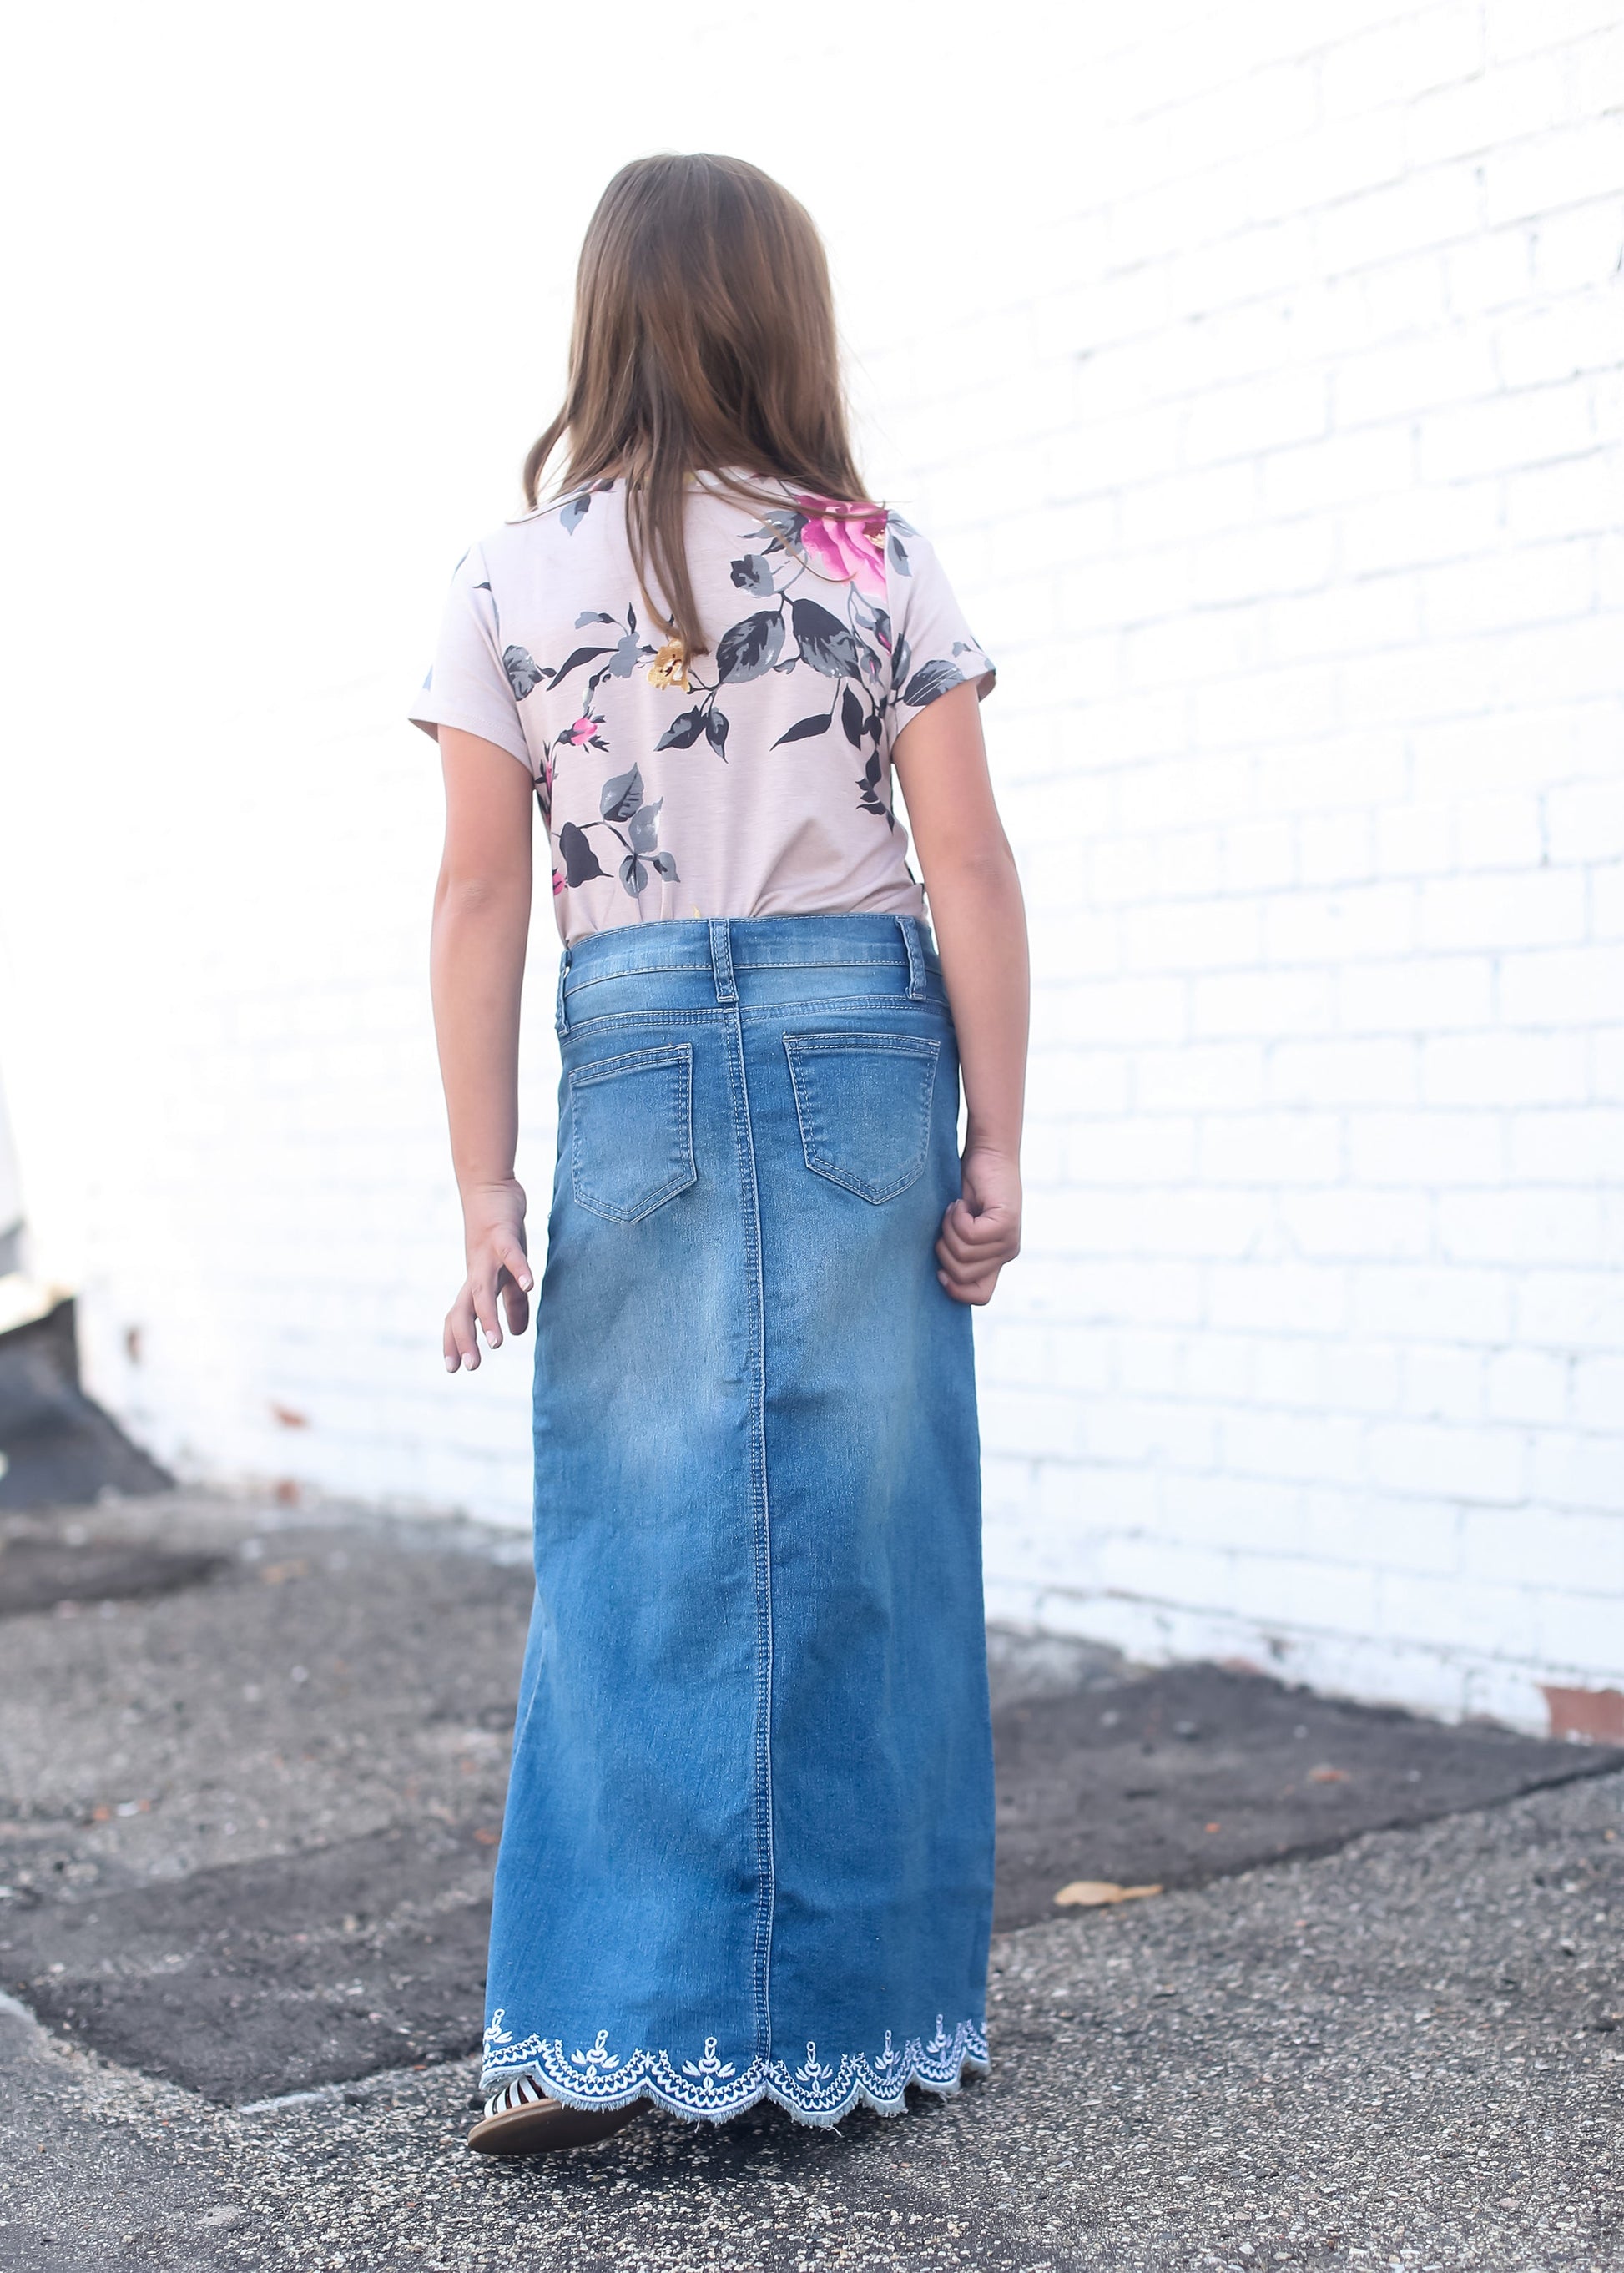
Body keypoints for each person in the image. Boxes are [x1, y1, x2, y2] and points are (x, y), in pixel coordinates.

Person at [411, 151, 1027, 2158]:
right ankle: (850, 2018)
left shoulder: (510, 578)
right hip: (865, 1044)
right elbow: (970, 867)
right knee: (866, 1537)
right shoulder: (876, 558)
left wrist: (486, 1186)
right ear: (788, 317)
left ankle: (610, 2022)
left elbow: (478, 904)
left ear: (604, 322)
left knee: (633, 1545)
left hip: (640, 1044)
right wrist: (998, 1144)